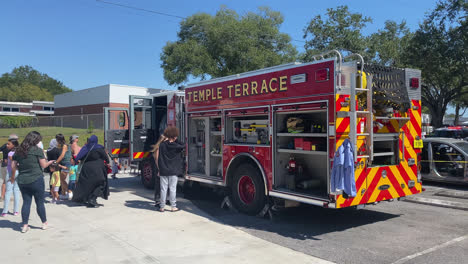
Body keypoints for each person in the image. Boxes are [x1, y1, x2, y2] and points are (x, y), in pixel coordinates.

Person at [11, 131, 55, 233]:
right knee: (39, 202)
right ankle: (44, 223)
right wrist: (51, 162)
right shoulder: (37, 150)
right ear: (35, 140)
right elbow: (43, 165)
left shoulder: (18, 151)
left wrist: (21, 167)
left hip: (22, 180)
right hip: (36, 179)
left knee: (26, 203)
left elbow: (13, 166)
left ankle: (24, 225)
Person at [72, 135, 110, 208]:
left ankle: (86, 199)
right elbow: (106, 158)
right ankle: (93, 198)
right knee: (101, 183)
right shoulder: (99, 148)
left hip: (86, 169)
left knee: (87, 185)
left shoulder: (85, 148)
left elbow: (78, 158)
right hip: (98, 169)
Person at [154, 126, 184, 212]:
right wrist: (175, 139)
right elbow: (183, 145)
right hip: (173, 170)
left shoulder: (162, 145)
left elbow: (158, 158)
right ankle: (173, 206)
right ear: (174, 136)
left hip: (163, 170)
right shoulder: (176, 146)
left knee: (163, 189)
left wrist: (159, 170)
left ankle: (162, 207)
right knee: (172, 189)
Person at [1, 138, 20, 217]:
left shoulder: (10, 153)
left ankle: (5, 211)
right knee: (16, 191)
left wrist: (12, 176)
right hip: (18, 172)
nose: (7, 145)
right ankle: (16, 211)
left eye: (9, 144)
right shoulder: (19, 152)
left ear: (13, 145)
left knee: (8, 191)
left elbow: (13, 165)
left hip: (11, 172)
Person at [0, 134, 18, 202]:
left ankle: (3, 196)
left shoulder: (5, 145)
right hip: (9, 165)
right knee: (8, 181)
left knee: (5, 181)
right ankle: (4, 196)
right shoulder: (14, 147)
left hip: (4, 164)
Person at [55, 134, 72, 198]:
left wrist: (56, 162)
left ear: (59, 140)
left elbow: (62, 155)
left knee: (62, 179)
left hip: (66, 163)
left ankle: (69, 191)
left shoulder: (65, 146)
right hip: (65, 163)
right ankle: (63, 193)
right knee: (62, 179)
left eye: (57, 140)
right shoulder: (64, 145)